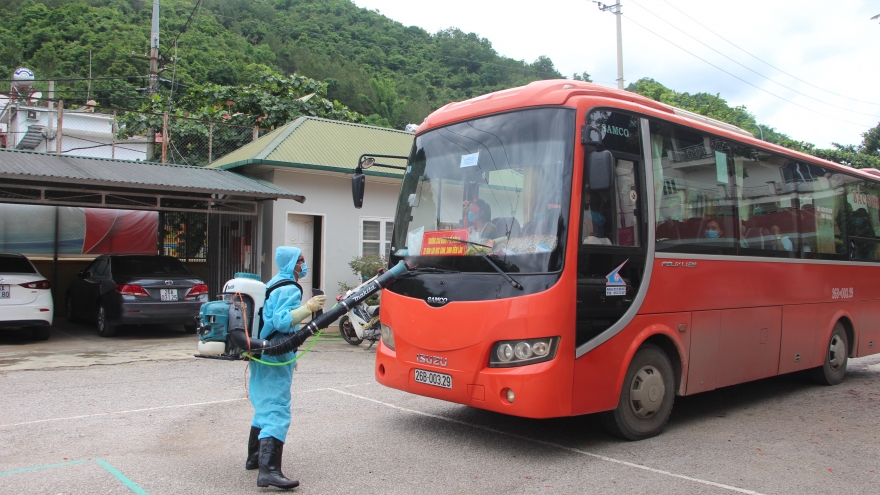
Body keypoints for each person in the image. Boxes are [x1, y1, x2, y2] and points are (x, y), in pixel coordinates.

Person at [246, 246, 326, 489]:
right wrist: (309, 307)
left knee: (263, 405)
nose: (303, 264)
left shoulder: (273, 283)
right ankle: (269, 470)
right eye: (300, 260)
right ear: (291, 263)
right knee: (277, 409)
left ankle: (254, 457)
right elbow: (281, 320)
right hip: (275, 356)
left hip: (261, 352)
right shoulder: (290, 287)